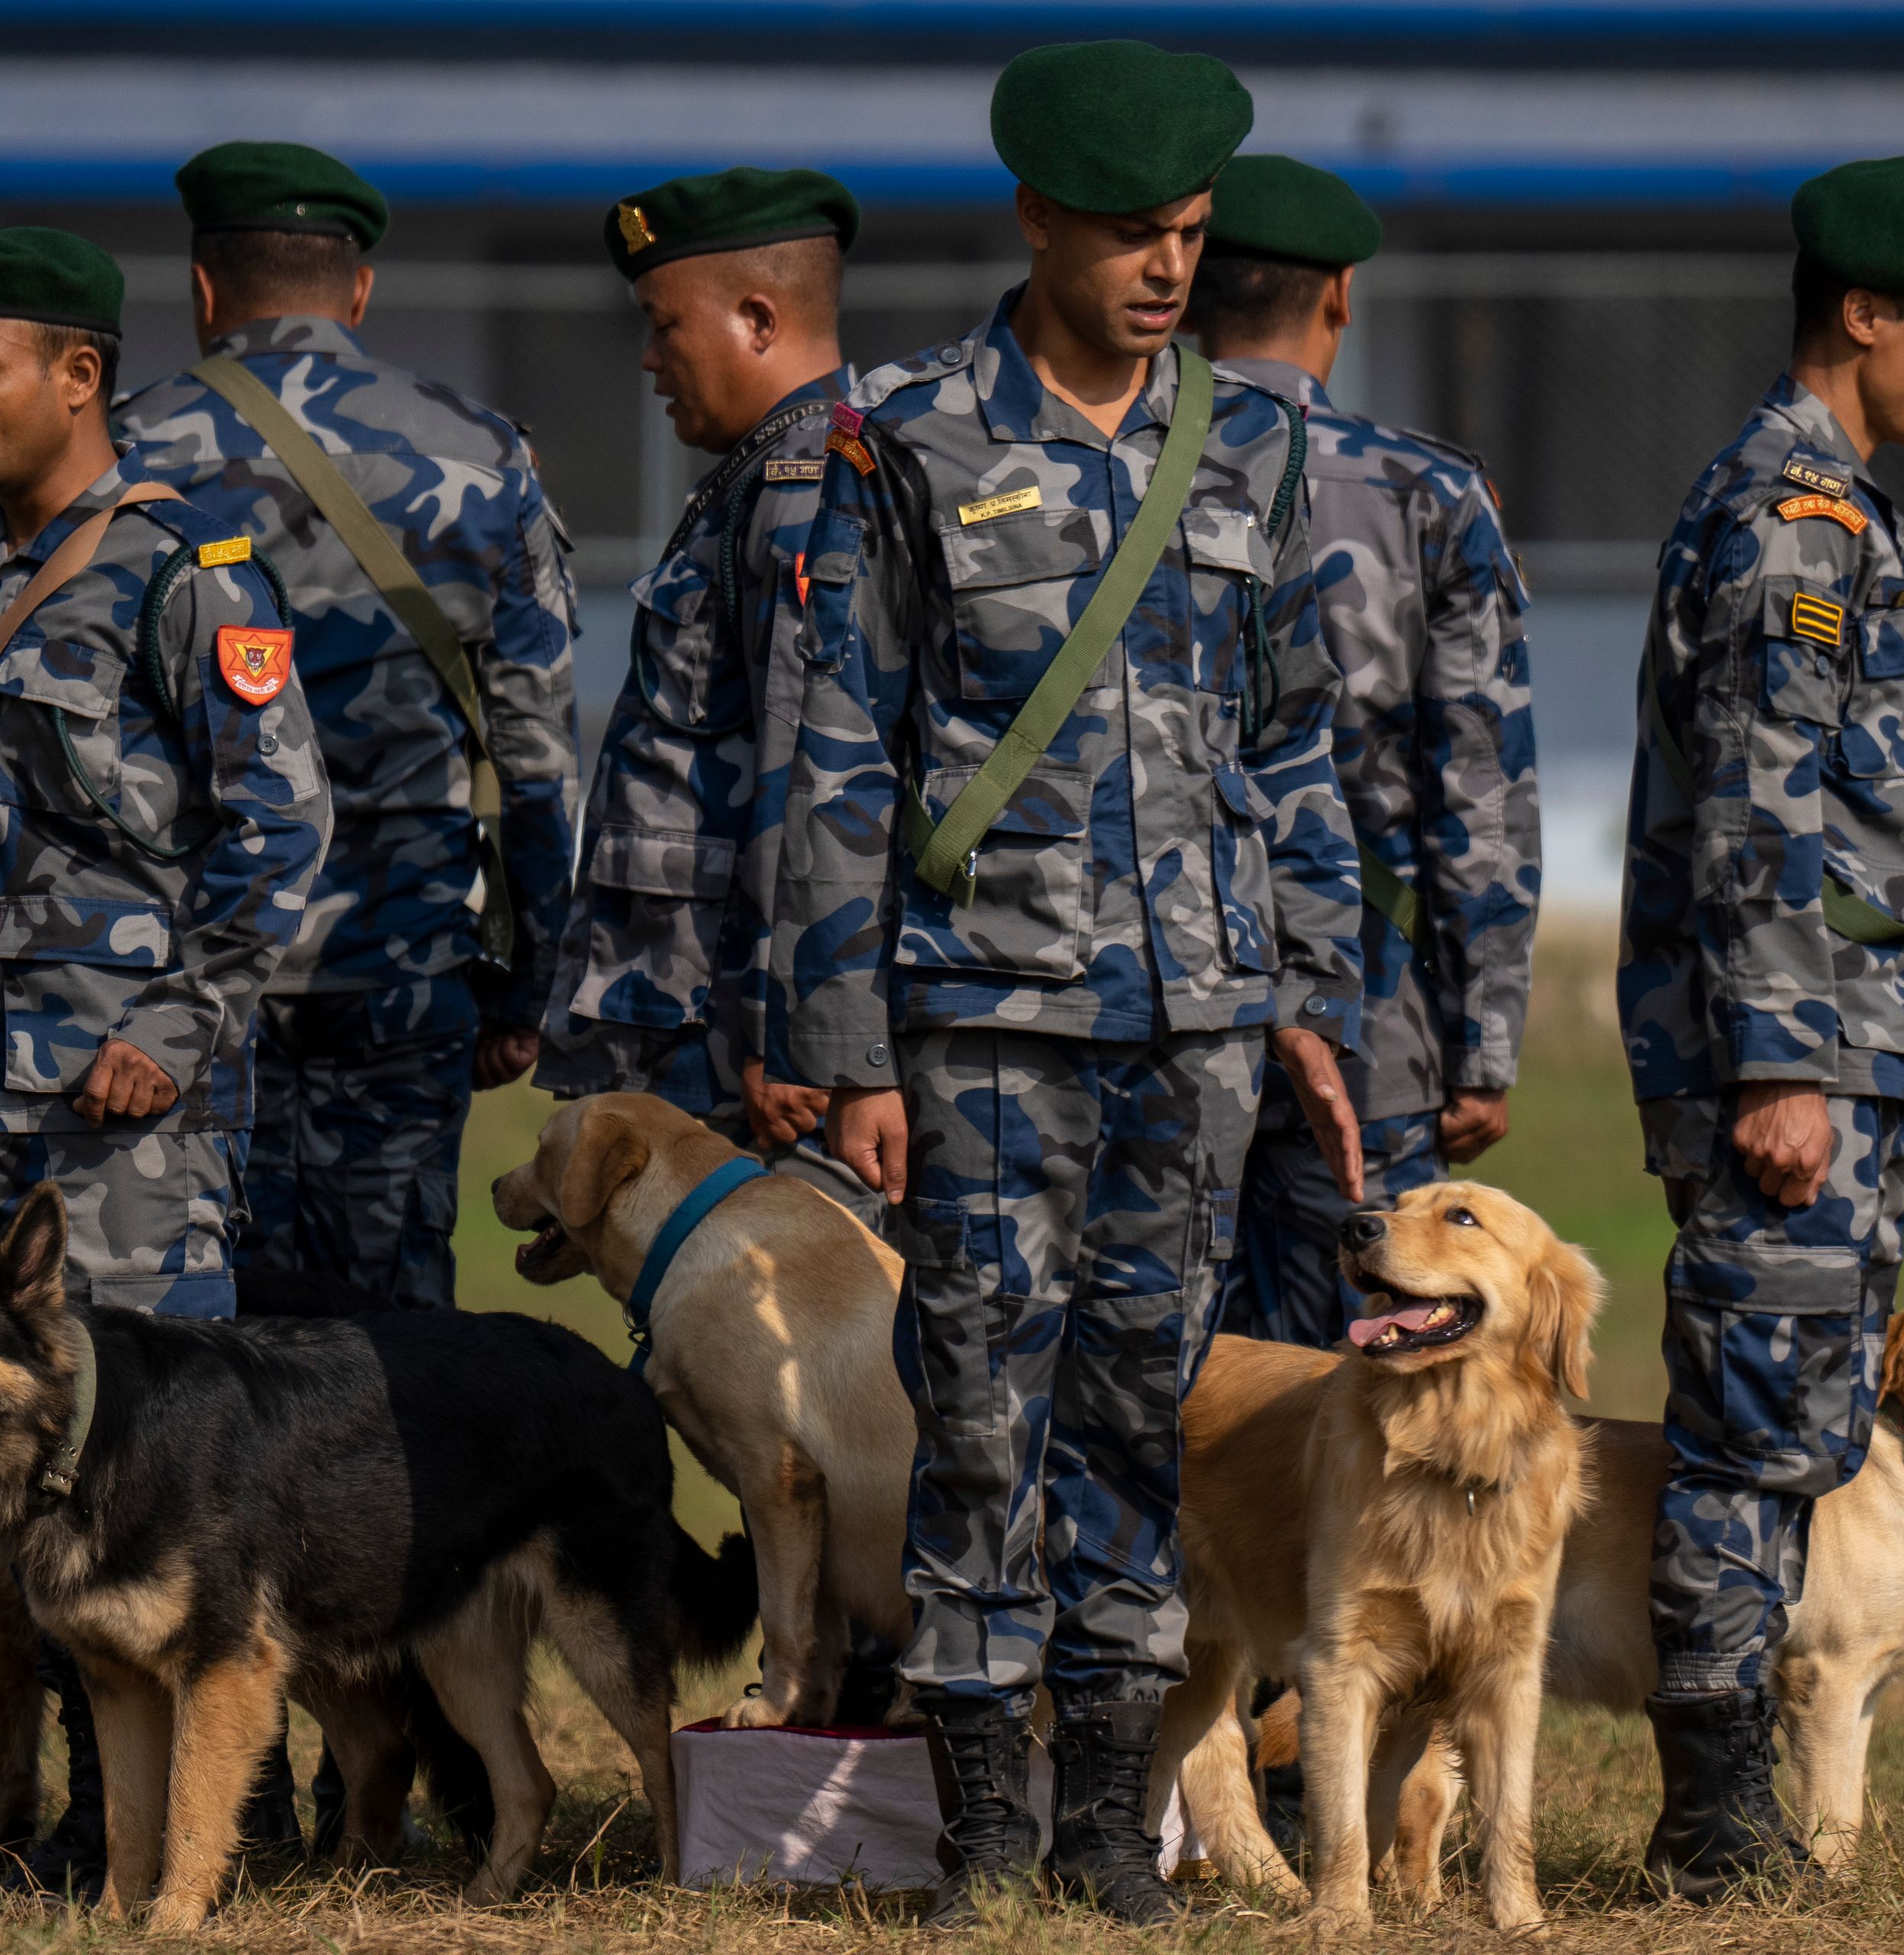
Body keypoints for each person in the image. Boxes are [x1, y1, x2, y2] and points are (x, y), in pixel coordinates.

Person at [768, 40, 1364, 1925]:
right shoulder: (908, 434)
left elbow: (1291, 748)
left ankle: (1110, 1823)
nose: (1168, 267)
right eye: (1130, 235)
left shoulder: (1257, 447)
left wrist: (1311, 996)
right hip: (986, 1019)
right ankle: (981, 1833)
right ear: (1037, 217)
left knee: (1137, 1404)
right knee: (976, 1406)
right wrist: (846, 1039)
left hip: (1193, 1025)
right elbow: (840, 755)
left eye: (1189, 234)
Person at [0, 225, 332, 1892]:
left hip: (126, 1124)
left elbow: (286, 832)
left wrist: (173, 1029)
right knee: (25, 1477)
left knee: (154, 1470)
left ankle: (230, 1821)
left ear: (78, 375)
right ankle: (98, 1813)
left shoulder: (183, 570)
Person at [1619, 154, 1904, 1897]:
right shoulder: (1789, 515)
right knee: (1750, 1432)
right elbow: (1758, 801)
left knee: (1795, 1422)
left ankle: (1747, 1812)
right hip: (1797, 1059)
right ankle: (1713, 1826)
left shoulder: (1836, 511)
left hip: (1845, 1049)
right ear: (1868, 316)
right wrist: (1782, 1053)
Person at [118, 141, 582, 1313]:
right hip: (406, 959)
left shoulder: (123, 457)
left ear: (204, 288)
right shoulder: (482, 454)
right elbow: (536, 756)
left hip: (195, 969)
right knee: (391, 1342)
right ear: (358, 292)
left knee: (205, 1330)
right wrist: (526, 986)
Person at [1188, 153, 1541, 1352]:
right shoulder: (1423, 493)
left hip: (1146, 1000)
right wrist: (1483, 1042)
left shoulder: (1106, 473)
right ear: (1340, 293)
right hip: (1368, 1014)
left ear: (1183, 286)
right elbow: (1479, 789)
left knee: (1142, 1391)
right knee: (1356, 1382)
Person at [535, 166, 880, 1226]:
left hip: (749, 1050)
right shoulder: (751, 483)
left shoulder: (805, 491)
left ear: (759, 318)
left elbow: (816, 769)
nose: (648, 359)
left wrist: (795, 1030)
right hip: (706, 1021)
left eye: (664, 325)